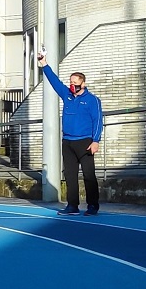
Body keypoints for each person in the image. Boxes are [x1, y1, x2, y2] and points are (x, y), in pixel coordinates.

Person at [38, 50, 104, 216]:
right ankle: (72, 206)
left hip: (85, 142)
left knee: (89, 175)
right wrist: (44, 64)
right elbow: (55, 82)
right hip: (68, 142)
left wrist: (96, 141)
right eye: (70, 82)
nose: (71, 85)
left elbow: (98, 121)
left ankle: (92, 206)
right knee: (70, 175)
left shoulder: (92, 100)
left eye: (74, 82)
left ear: (83, 84)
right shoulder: (67, 95)